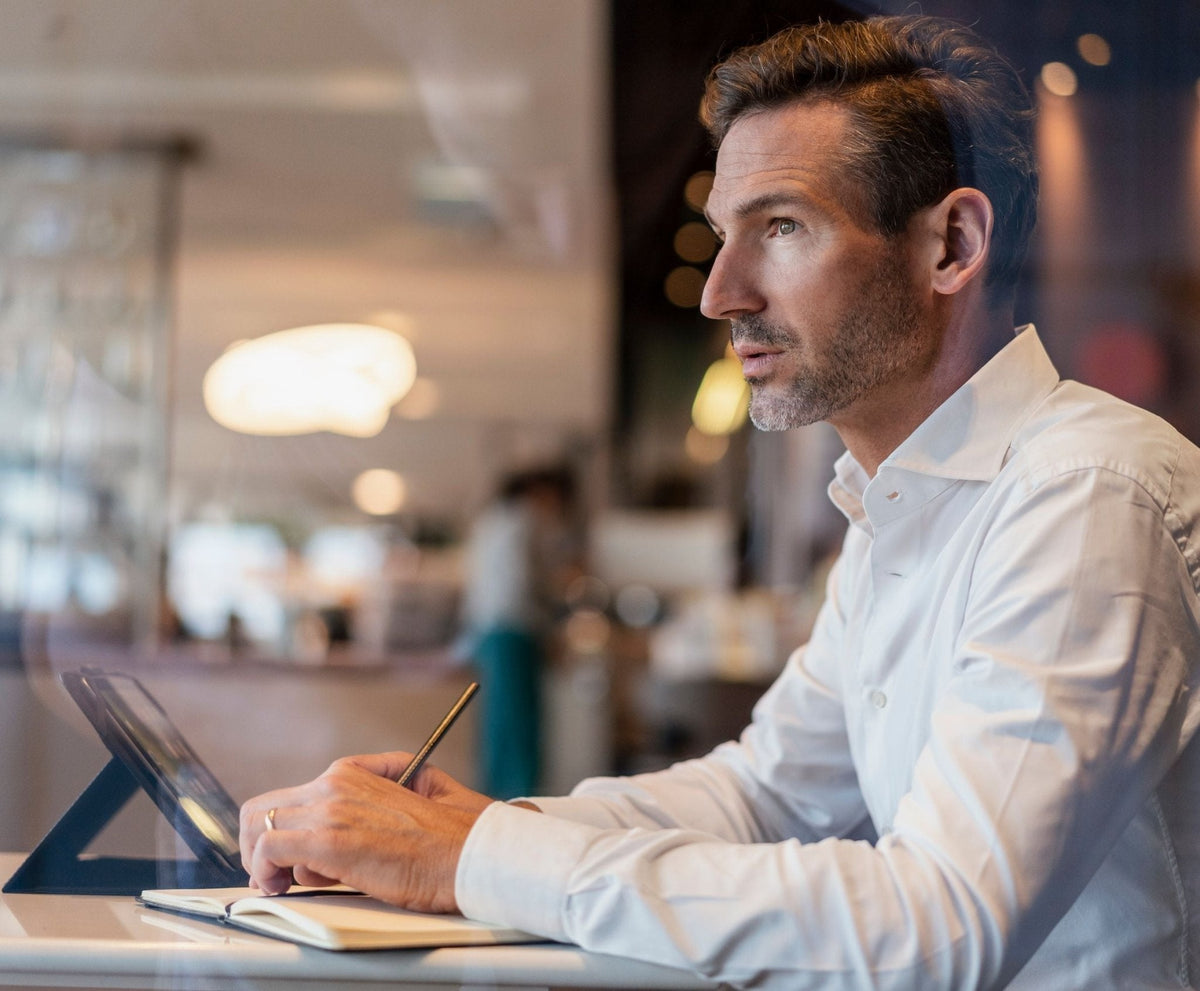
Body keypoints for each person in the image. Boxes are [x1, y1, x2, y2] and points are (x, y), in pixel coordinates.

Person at [238, 16, 1200, 989]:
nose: (720, 294)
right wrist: (458, 825)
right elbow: (765, 796)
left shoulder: (1081, 497)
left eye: (781, 227)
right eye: (722, 234)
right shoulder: (901, 511)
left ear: (951, 243)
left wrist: (469, 858)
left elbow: (938, 923)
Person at [459, 467, 576, 798]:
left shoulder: (491, 520)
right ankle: (518, 806)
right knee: (519, 726)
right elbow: (525, 585)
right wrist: (552, 630)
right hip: (515, 632)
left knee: (499, 725)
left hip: (491, 633)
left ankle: (496, 804)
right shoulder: (524, 520)